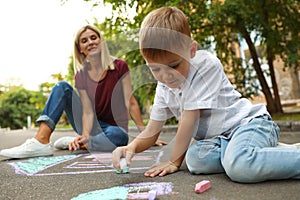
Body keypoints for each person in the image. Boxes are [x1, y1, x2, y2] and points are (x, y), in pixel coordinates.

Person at [112, 6, 300, 183]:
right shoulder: (164, 86)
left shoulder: (205, 66)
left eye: (174, 65)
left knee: (239, 166)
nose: (166, 75)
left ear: (191, 50)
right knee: (195, 160)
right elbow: (152, 130)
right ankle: (260, 153)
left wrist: (174, 162)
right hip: (219, 140)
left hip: (249, 124)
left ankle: (258, 156)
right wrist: (131, 148)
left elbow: (189, 118)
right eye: (155, 69)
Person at [0, 25, 165, 159]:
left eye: (94, 38)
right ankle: (41, 141)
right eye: (84, 40)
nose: (90, 42)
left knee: (119, 137)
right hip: (91, 125)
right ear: (80, 49)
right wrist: (86, 133)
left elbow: (131, 102)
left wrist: (146, 135)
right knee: (61, 87)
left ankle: (79, 142)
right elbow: (86, 111)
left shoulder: (120, 66)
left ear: (101, 41)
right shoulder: (81, 74)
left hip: (113, 128)